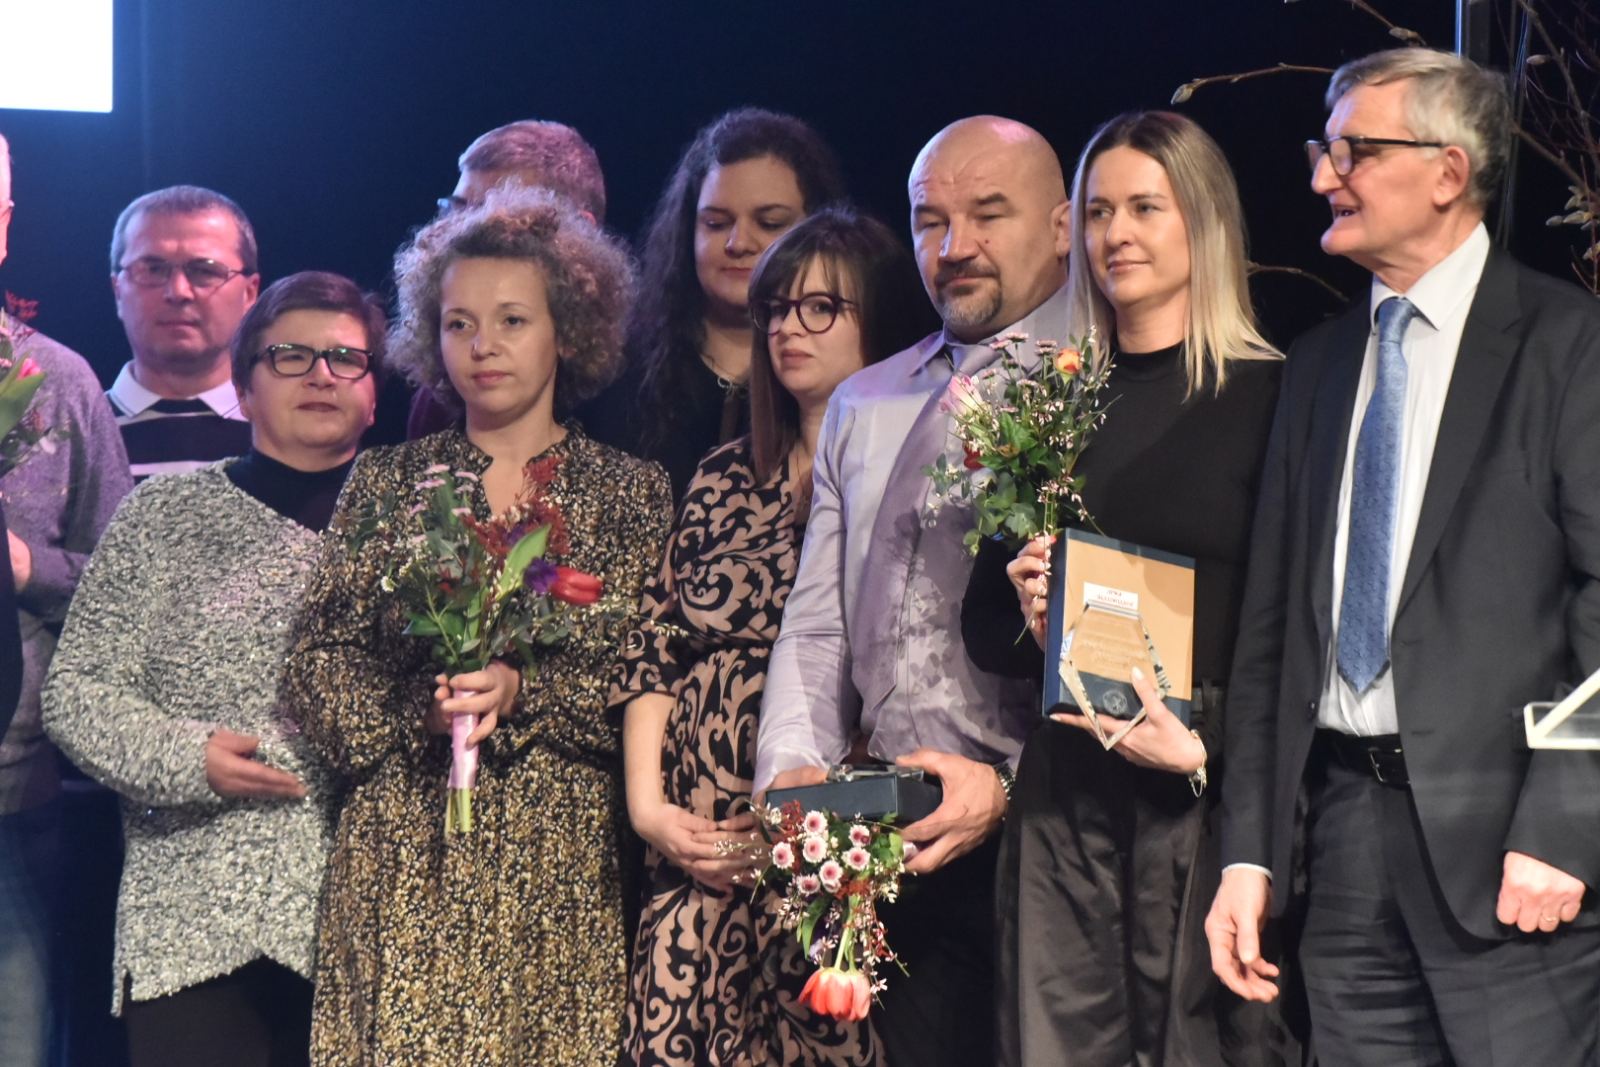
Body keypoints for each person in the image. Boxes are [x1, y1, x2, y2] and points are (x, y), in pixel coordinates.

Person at [1205, 48, 1600, 1067]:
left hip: (1512, 858)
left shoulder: (1568, 345)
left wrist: (1566, 822)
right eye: (1321, 149)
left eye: (1353, 151)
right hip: (1342, 846)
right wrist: (1248, 853)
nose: (1320, 176)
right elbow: (1270, 630)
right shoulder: (1318, 365)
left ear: (1447, 171)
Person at [284, 187, 673, 1066]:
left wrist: (520, 690)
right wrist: (413, 709)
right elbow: (319, 659)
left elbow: (646, 675)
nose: (483, 345)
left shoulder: (631, 491)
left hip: (554, 862)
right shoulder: (389, 481)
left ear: (568, 331)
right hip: (405, 851)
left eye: (511, 320)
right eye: (459, 323)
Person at [960, 112, 1291, 1067]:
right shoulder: (1054, 405)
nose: (1117, 234)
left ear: (1205, 221)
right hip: (1069, 796)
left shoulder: (1275, 394)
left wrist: (1207, 750)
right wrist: (1032, 608)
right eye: (1098, 211)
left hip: (1202, 791)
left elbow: (1291, 628)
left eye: (1146, 207)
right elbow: (984, 629)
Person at [752, 115, 1071, 1066]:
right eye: (931, 220)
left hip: (1055, 836)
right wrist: (793, 765)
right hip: (905, 837)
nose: (955, 245)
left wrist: (1011, 787)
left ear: (1062, 226)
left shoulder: (1103, 382)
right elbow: (819, 623)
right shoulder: (867, 399)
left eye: (988, 214)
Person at [611, 207, 931, 1066]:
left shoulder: (913, 479)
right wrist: (651, 810)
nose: (789, 328)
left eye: (820, 307)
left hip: (828, 854)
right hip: (698, 851)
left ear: (880, 319)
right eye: (777, 309)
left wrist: (819, 818)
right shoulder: (722, 474)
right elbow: (655, 646)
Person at [42, 271, 383, 1067]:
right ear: (244, 384)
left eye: (345, 358)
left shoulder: (419, 522)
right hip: (192, 919)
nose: (321, 375)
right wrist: (191, 757)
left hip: (368, 921)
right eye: (291, 355)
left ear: (375, 393)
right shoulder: (162, 516)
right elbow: (76, 693)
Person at [0, 130, 135, 1067]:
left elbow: (125, 589)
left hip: (14, 797)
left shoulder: (56, 380)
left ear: (4, 224)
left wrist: (24, 566)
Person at [584, 108, 845, 501]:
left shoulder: (846, 378)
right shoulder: (618, 373)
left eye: (770, 223)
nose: (738, 243)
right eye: (716, 223)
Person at [408, 118, 609, 440]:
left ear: (581, 231)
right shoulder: (441, 395)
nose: (464, 233)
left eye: (498, 215)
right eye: (458, 211)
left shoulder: (643, 388)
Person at [107, 185, 261, 483]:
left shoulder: (287, 431)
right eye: (153, 269)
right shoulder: (73, 437)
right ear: (118, 291)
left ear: (249, 293)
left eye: (204, 270)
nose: (178, 292)